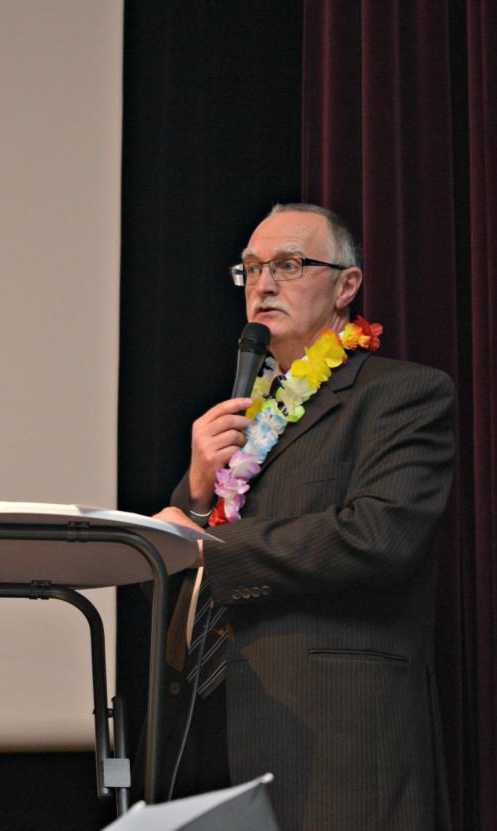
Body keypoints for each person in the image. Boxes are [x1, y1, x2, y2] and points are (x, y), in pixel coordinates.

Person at [153, 204, 454, 830]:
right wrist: (196, 489)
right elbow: (186, 534)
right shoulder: (248, 416)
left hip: (335, 741)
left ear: (347, 286)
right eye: (252, 269)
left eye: (289, 265)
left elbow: (379, 535)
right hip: (214, 725)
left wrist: (212, 550)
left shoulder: (403, 394)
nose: (263, 284)